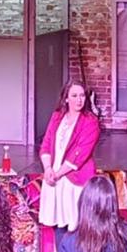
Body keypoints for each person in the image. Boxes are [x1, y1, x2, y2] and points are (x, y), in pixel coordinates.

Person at [38, 81, 100, 236]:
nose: (79, 100)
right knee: (56, 227)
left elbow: (80, 153)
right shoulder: (57, 117)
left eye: (82, 95)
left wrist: (57, 174)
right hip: (53, 176)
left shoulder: (90, 121)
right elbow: (46, 144)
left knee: (75, 226)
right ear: (66, 98)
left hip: (74, 178)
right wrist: (48, 169)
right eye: (74, 96)